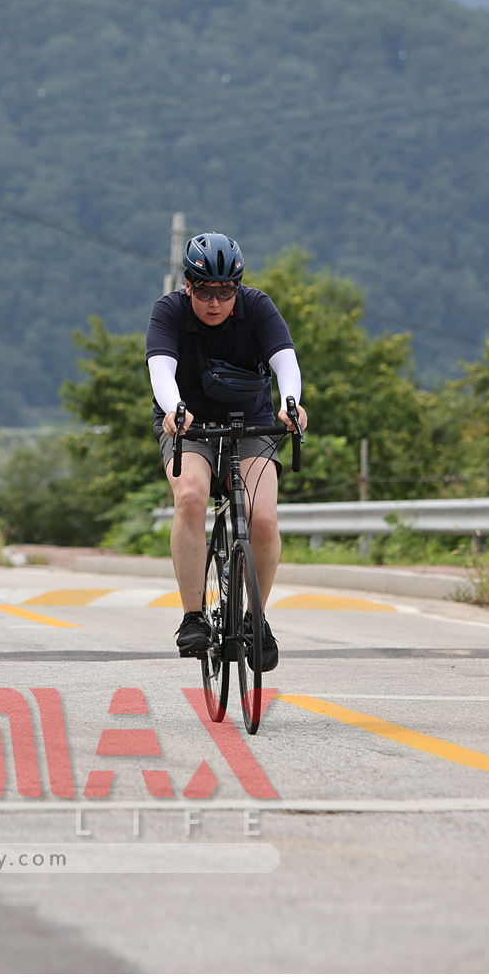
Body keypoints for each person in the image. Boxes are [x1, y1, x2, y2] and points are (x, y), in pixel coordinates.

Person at [147, 233, 308, 666]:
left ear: (238, 287)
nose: (215, 303)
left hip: (251, 422)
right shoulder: (168, 311)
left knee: (262, 517)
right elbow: (161, 371)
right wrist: (174, 408)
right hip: (188, 424)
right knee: (191, 496)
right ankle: (193, 617)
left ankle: (256, 619)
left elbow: (285, 361)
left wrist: (291, 403)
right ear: (187, 285)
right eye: (204, 292)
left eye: (225, 292)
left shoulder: (257, 306)